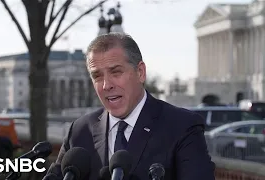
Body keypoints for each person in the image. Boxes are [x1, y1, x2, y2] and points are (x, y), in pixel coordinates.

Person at [54, 33, 215, 180]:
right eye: (97, 76)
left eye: (116, 72)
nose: (106, 85)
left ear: (140, 72)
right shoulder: (80, 131)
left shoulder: (182, 127)